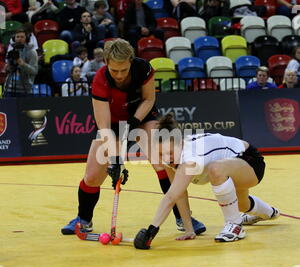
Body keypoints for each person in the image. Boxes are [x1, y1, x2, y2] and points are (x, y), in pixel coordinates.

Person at [61, 38, 205, 235]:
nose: (119, 75)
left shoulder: (143, 68)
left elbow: (149, 99)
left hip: (143, 117)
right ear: (106, 63)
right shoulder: (100, 80)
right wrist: (115, 160)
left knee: (163, 162)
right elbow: (103, 126)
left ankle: (183, 216)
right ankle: (83, 219)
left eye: (124, 70)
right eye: (114, 71)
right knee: (93, 176)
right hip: (111, 125)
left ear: (131, 61)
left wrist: (134, 123)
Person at [133, 114, 280, 249]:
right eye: (161, 154)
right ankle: (270, 212)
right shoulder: (170, 160)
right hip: (233, 166)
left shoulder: (191, 157)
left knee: (215, 169)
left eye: (170, 153)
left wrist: (151, 231)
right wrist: (189, 229)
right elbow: (178, 193)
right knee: (243, 205)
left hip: (250, 161)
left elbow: (170, 198)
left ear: (180, 144)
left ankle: (234, 225)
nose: (166, 158)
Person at [3, 29, 38, 97]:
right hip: (9, 89)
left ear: (26, 39)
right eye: (17, 37)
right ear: (14, 38)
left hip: (24, 90)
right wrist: (8, 67)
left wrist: (22, 64)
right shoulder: (11, 51)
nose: (19, 39)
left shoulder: (32, 52)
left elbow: (34, 71)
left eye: (22, 37)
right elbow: (8, 70)